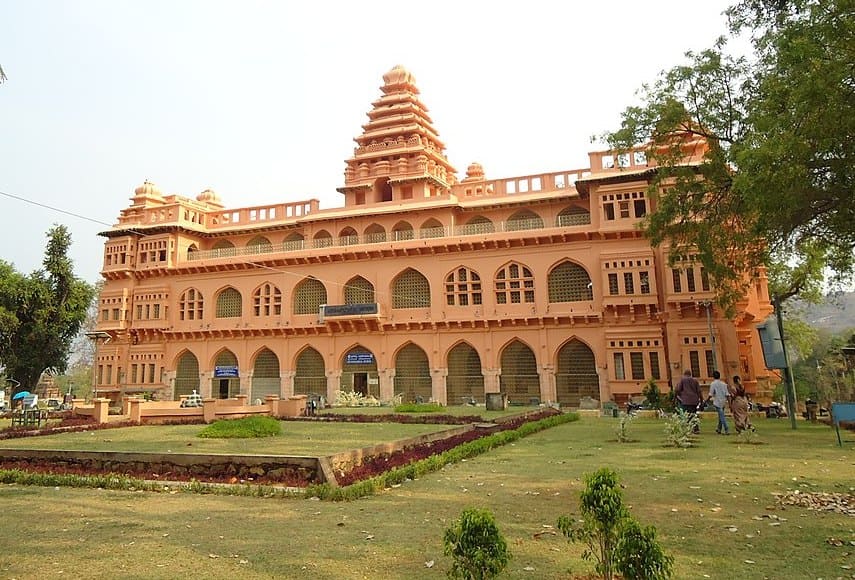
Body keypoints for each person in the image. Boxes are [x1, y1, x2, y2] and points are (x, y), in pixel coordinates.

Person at [708, 370, 730, 435]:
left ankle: (726, 429)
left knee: (721, 416)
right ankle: (719, 429)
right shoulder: (724, 384)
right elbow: (727, 394)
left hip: (717, 402)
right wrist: (729, 403)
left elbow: (711, 394)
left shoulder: (713, 384)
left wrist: (707, 400)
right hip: (723, 401)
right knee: (721, 415)